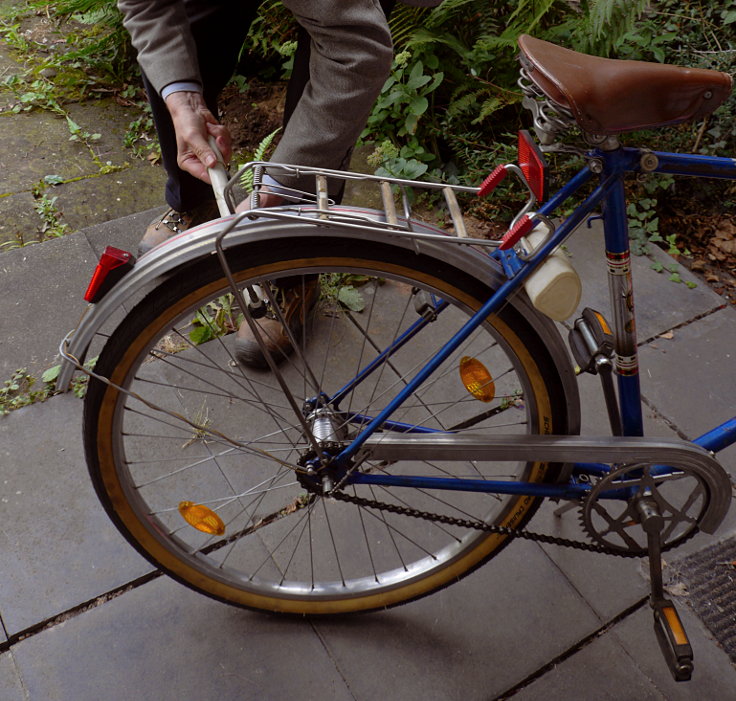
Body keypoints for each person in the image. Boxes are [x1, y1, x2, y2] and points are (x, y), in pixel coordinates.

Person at [118, 0, 442, 366]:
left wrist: (279, 184)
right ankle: (197, 201)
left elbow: (354, 54)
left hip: (343, 21)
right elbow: (147, 6)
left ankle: (292, 268)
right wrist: (182, 99)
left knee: (327, 70)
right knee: (188, 36)